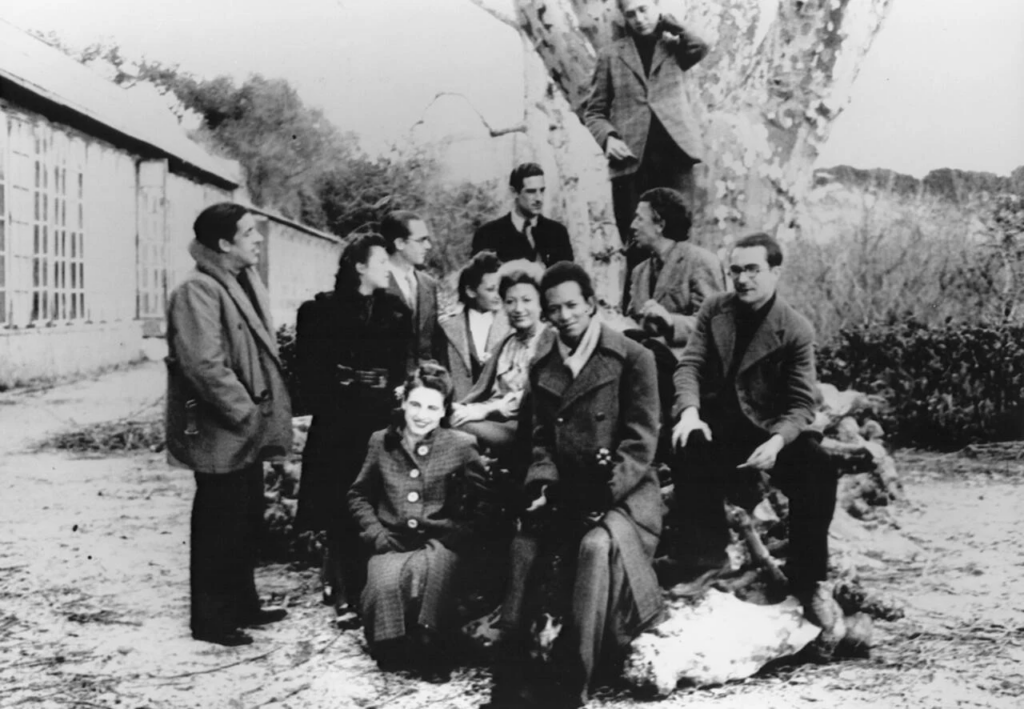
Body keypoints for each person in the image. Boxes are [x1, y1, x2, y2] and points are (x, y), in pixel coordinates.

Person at [485, 262, 663, 709]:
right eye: (554, 309)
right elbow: (542, 439)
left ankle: (571, 684)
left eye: (572, 305)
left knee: (593, 548)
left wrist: (604, 492)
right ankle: (511, 678)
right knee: (525, 540)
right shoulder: (543, 364)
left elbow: (641, 443)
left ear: (591, 303)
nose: (564, 316)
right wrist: (541, 484)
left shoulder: (632, 357)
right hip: (565, 489)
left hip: (625, 495)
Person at [670, 233, 838, 615]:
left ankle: (808, 578)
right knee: (687, 443)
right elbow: (690, 365)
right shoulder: (715, 308)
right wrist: (690, 412)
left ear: (775, 272)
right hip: (720, 422)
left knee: (819, 470)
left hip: (769, 429)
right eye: (735, 270)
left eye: (753, 270)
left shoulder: (795, 328)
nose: (742, 279)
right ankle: (706, 560)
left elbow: (801, 404)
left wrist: (778, 442)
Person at [165, 203, 292, 647]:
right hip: (223, 427)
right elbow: (204, 365)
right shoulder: (197, 290)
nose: (258, 239)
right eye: (249, 233)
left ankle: (242, 604)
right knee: (219, 522)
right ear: (223, 244)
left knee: (243, 519)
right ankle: (212, 620)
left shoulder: (239, 280)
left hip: (245, 429)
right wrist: (248, 414)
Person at [294, 233, 412, 622]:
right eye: (380, 262)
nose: (387, 270)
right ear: (358, 266)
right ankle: (343, 588)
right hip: (339, 420)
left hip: (379, 418)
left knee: (375, 497)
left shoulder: (395, 310)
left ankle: (371, 586)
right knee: (339, 498)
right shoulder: (320, 311)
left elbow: (400, 368)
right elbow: (309, 373)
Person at [348, 362, 490, 682]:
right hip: (393, 540)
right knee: (384, 583)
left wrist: (462, 533)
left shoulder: (461, 445)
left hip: (440, 540)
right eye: (415, 404)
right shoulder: (379, 441)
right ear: (403, 403)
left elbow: (485, 502)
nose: (421, 414)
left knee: (430, 569)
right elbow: (357, 495)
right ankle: (393, 641)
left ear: (443, 412)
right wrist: (376, 534)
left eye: (431, 407)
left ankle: (432, 643)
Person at [582, 0, 710, 308]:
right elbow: (594, 112)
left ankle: (684, 317)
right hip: (631, 165)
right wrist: (609, 139)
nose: (639, 19)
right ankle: (635, 316)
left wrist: (668, 22)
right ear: (623, 17)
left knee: (678, 241)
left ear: (656, 7)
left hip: (675, 158)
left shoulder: (676, 47)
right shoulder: (611, 55)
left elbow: (703, 43)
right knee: (637, 242)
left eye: (644, 9)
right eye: (631, 13)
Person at [451, 260, 549, 457]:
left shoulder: (550, 342)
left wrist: (485, 410)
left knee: (457, 428)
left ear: (541, 302)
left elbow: (535, 398)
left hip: (529, 429)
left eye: (527, 300)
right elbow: (482, 391)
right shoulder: (507, 343)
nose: (518, 309)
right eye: (510, 301)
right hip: (497, 423)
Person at [627, 187, 725, 356]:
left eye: (639, 219)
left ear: (660, 225)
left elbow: (716, 325)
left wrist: (671, 321)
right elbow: (633, 320)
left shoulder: (700, 261)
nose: (633, 225)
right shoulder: (639, 272)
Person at [439, 250, 511, 400]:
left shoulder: (510, 325)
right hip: (457, 409)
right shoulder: (448, 327)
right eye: (491, 289)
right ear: (471, 291)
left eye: (500, 287)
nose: (498, 294)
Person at [472, 163, 574, 267]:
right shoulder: (488, 234)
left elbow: (568, 278)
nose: (539, 198)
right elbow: (478, 279)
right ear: (514, 192)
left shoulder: (557, 233)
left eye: (542, 191)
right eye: (531, 191)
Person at [381, 210, 445, 372]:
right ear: (400, 243)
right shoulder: (376, 284)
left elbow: (434, 343)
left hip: (424, 387)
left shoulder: (428, 284)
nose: (428, 246)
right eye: (421, 240)